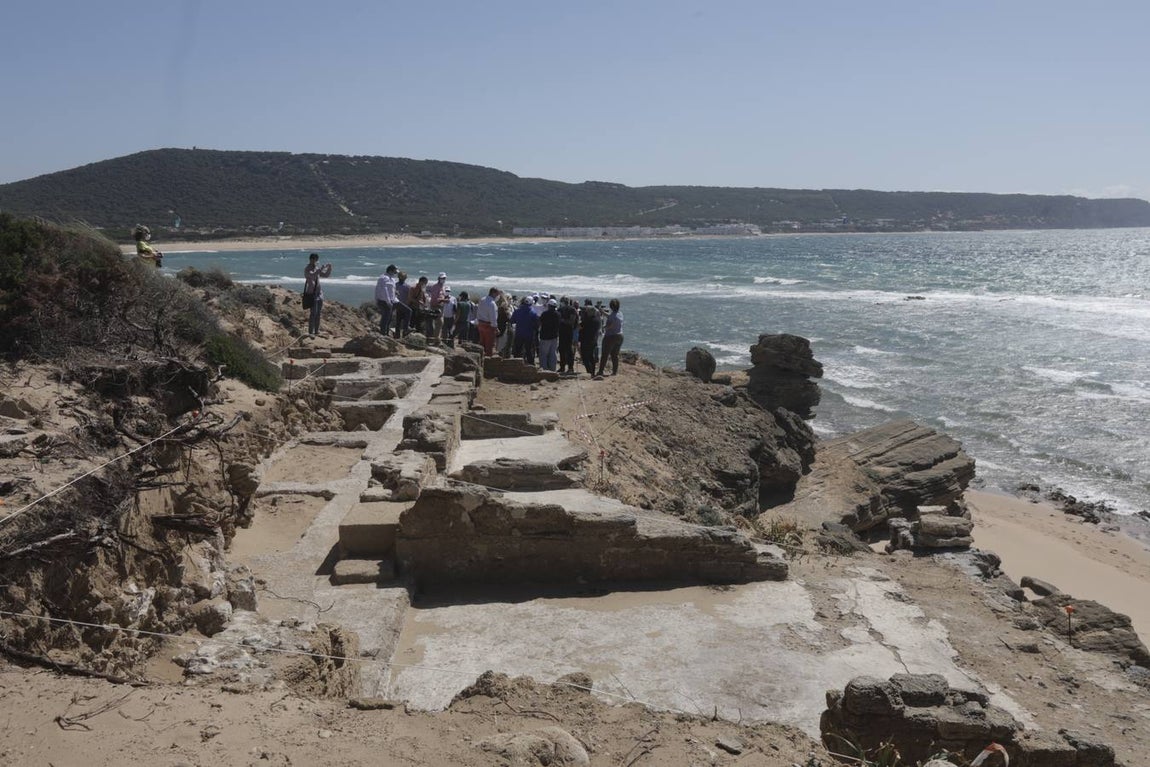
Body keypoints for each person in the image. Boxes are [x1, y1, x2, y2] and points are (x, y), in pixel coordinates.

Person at [303, 253, 333, 336]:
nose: (315, 261)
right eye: (314, 259)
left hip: (319, 293)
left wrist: (329, 269)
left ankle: (316, 331)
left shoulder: (316, 268)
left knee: (318, 313)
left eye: (316, 260)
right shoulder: (307, 269)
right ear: (311, 259)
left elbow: (325, 275)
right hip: (312, 294)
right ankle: (310, 332)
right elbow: (312, 275)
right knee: (313, 313)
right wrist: (320, 269)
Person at [596, 298, 624, 377]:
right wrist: (603, 312)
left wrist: (603, 328)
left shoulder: (612, 316)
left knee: (605, 354)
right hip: (620, 336)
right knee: (615, 355)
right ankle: (614, 372)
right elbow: (611, 316)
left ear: (611, 307)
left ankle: (601, 371)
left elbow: (610, 325)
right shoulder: (620, 314)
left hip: (611, 336)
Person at [511, 297, 540, 365]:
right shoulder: (533, 313)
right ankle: (531, 366)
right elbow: (537, 325)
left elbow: (512, 320)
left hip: (519, 334)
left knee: (518, 351)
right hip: (529, 335)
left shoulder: (517, 311)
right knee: (529, 352)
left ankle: (516, 365)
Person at [374, 264, 398, 336]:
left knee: (388, 318)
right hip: (384, 301)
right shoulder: (384, 278)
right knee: (385, 318)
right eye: (394, 272)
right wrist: (388, 301)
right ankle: (383, 333)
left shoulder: (391, 279)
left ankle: (385, 333)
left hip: (390, 301)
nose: (395, 273)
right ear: (390, 271)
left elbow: (391, 290)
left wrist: (395, 295)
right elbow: (384, 290)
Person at [557, 296, 578, 374]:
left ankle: (570, 368)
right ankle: (562, 367)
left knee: (569, 350)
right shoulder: (560, 309)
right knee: (561, 349)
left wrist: (562, 320)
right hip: (562, 332)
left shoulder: (572, 310)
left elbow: (572, 321)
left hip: (569, 331)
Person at [476, 287, 500, 356]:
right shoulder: (492, 303)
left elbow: (478, 311)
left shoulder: (482, 299)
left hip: (481, 323)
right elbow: (493, 317)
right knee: (489, 345)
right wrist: (495, 328)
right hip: (488, 326)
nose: (497, 296)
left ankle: (481, 359)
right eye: (497, 294)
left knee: (482, 344)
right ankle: (488, 362)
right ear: (493, 293)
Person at [579, 300, 601, 376]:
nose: (586, 312)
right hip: (593, 340)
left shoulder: (588, 320)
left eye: (587, 311)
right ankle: (592, 372)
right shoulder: (597, 320)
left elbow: (580, 326)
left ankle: (589, 371)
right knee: (591, 356)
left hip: (586, 340)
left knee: (585, 357)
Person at [538, 298, 560, 371]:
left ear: (549, 306)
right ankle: (552, 369)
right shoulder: (558, 314)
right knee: (553, 353)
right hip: (554, 336)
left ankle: (544, 369)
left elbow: (540, 323)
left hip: (545, 336)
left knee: (543, 354)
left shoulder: (545, 314)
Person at [426, 272, 449, 341]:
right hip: (436, 306)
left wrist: (444, 299)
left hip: (441, 306)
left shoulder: (443, 287)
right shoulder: (436, 287)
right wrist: (444, 300)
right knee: (439, 323)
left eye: (444, 278)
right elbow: (435, 298)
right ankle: (436, 339)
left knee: (439, 324)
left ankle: (436, 338)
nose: (443, 279)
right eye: (442, 278)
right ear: (438, 278)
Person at [393, 271, 412, 337]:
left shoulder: (396, 285)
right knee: (400, 320)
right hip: (401, 304)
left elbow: (409, 296)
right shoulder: (406, 286)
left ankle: (399, 333)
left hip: (401, 305)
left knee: (399, 320)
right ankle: (403, 332)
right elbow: (409, 297)